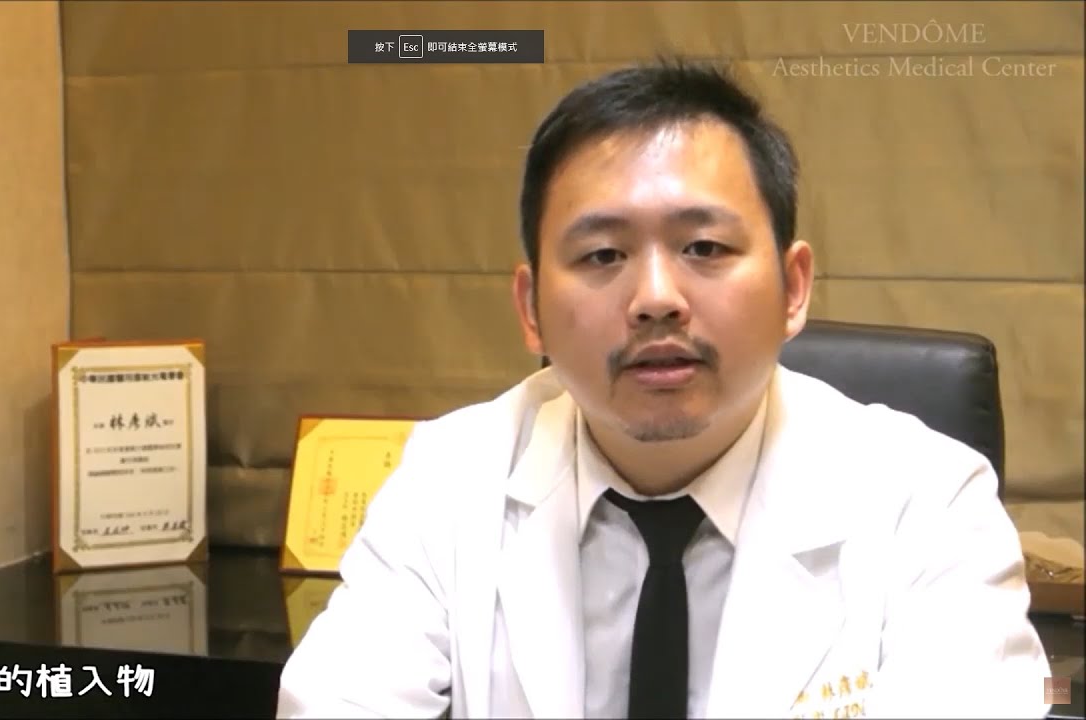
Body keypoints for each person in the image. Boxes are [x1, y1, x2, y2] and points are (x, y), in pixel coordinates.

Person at [275, 57, 1051, 719]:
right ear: (531, 310)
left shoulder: (928, 501)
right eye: (603, 255)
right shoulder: (449, 479)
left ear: (792, 287)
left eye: (704, 247)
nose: (655, 298)